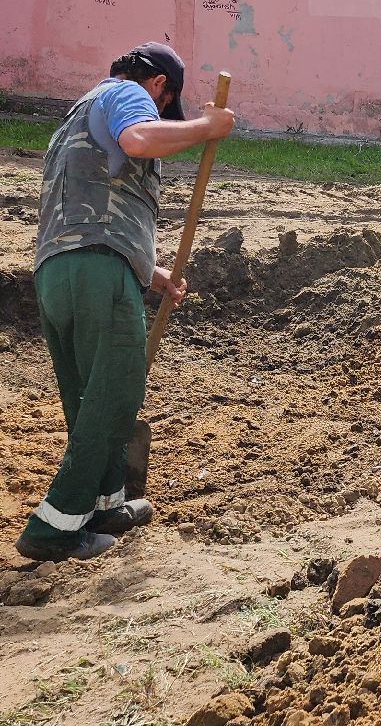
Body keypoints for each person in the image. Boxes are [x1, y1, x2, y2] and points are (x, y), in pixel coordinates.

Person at [16, 42, 235, 563]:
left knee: (88, 397)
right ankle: (54, 525)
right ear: (158, 85)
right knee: (117, 391)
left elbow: (91, 201)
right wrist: (207, 128)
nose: (160, 115)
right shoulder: (126, 94)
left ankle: (105, 504)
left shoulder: (78, 113)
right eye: (165, 106)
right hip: (97, 270)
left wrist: (150, 271)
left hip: (62, 270)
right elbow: (138, 140)